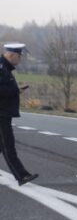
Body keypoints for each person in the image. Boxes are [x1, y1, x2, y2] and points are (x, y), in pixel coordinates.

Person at [0, 43, 38, 186]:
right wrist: (16, 91)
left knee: (2, 146)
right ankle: (22, 176)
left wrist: (16, 90)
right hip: (1, 114)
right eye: (19, 56)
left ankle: (22, 175)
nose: (20, 59)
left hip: (4, 113)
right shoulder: (1, 68)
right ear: (11, 55)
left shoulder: (5, 69)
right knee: (8, 146)